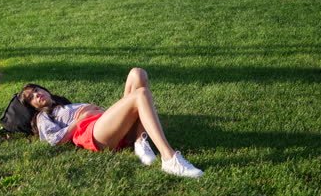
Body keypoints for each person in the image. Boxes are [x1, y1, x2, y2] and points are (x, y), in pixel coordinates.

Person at [19, 68, 204, 178]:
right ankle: (169, 159)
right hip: (93, 132)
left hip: (107, 121)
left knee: (137, 74)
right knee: (141, 94)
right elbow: (53, 139)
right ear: (33, 106)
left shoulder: (64, 105)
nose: (37, 95)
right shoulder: (43, 117)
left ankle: (140, 142)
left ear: (44, 89)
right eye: (32, 98)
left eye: (36, 90)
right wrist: (79, 120)